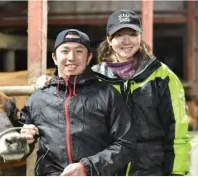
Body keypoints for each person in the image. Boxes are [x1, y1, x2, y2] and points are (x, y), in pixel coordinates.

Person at [35, 10, 191, 176]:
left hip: (150, 168)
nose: (126, 41)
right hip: (107, 168)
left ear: (140, 37)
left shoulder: (162, 77)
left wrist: (177, 172)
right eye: (119, 35)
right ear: (109, 39)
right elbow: (67, 99)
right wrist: (50, 80)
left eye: (132, 34)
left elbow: (177, 132)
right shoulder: (94, 78)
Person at [20, 29, 136, 176]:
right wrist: (24, 137)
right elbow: (18, 143)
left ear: (89, 58)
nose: (71, 57)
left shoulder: (107, 95)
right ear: (54, 57)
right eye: (65, 51)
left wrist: (86, 168)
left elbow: (126, 145)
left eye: (79, 51)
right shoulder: (38, 99)